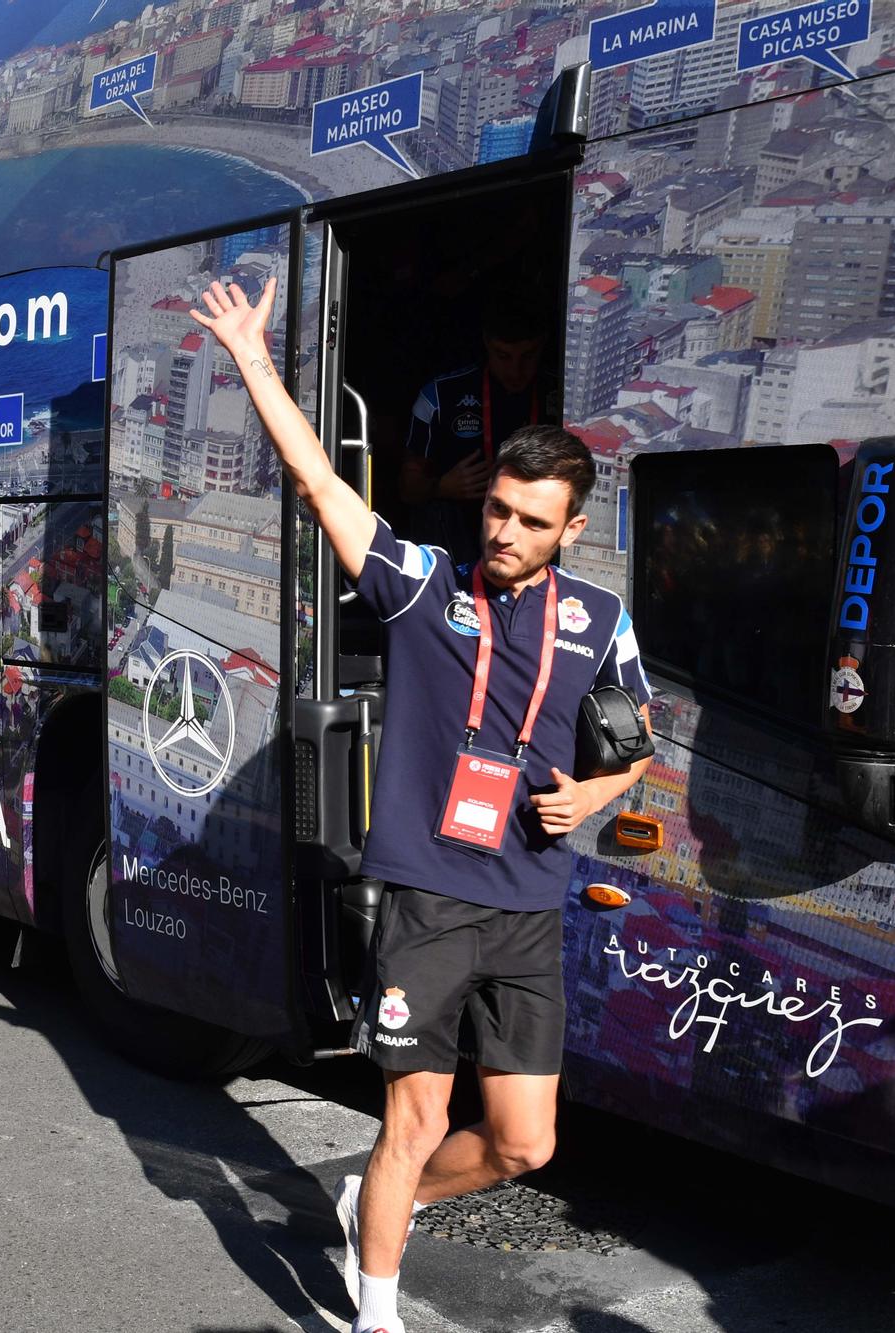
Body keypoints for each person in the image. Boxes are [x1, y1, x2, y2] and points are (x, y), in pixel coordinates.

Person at [190, 277, 651, 1333]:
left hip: (528, 902)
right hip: (426, 896)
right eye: (494, 507)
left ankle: (369, 1206)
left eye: (528, 521)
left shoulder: (601, 620)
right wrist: (253, 357)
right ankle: (376, 1311)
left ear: (568, 529)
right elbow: (318, 483)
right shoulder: (423, 586)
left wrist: (593, 788)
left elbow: (638, 745)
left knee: (523, 1142)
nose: (500, 531)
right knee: (413, 1114)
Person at [397, 303, 559, 565]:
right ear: (486, 344)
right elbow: (407, 491)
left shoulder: (564, 393)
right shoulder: (440, 396)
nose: (516, 371)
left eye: (528, 356)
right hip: (461, 539)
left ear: (543, 345)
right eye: (503, 356)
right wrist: (441, 487)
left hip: (539, 529)